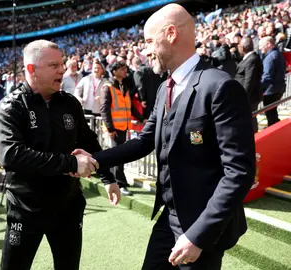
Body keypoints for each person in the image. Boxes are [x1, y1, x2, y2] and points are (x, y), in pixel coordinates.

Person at [75, 4, 255, 269]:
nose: (146, 50)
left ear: (171, 33)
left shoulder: (220, 87)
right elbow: (144, 141)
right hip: (168, 218)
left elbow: (239, 171)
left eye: (149, 41)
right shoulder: (164, 89)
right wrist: (95, 159)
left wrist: (198, 235)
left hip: (202, 228)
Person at [0, 39, 120, 270]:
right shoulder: (11, 106)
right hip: (26, 209)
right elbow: (12, 155)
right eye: (54, 65)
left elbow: (88, 141)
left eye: (61, 64)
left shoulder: (69, 103)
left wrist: (108, 178)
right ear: (31, 69)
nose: (62, 69)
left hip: (68, 207)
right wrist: (71, 162)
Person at [100, 61, 146, 196]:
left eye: (125, 68)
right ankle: (119, 183)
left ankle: (118, 180)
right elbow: (104, 110)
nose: (125, 71)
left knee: (119, 155)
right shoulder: (107, 87)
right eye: (122, 69)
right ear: (114, 71)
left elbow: (130, 107)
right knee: (119, 156)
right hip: (115, 128)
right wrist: (110, 128)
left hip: (123, 127)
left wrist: (142, 119)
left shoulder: (123, 87)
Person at [235, 37, 263, 133]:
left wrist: (243, 98)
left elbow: (249, 82)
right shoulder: (248, 58)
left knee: (250, 119)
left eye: (239, 46)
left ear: (242, 47)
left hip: (249, 98)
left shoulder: (252, 59)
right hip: (246, 97)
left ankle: (254, 138)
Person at [259, 36, 286, 127]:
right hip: (277, 88)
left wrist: (261, 89)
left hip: (271, 91)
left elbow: (267, 76)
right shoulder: (277, 54)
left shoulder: (270, 57)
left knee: (271, 115)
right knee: (273, 113)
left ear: (268, 44)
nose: (260, 47)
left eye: (261, 45)